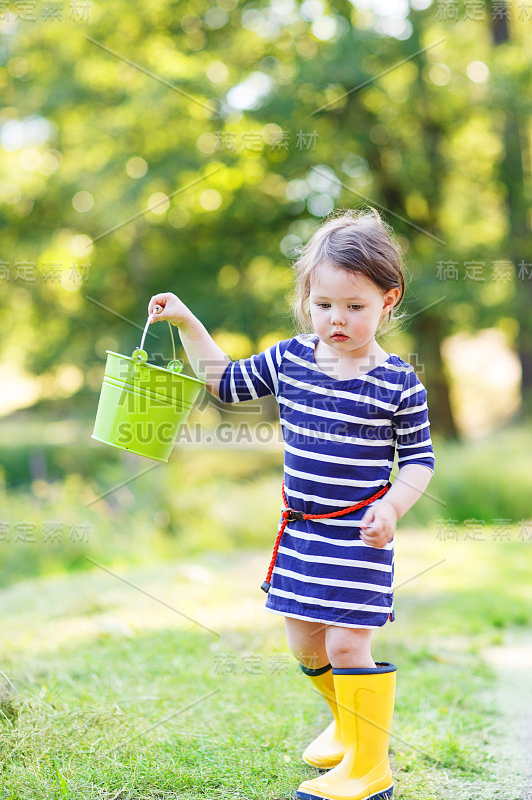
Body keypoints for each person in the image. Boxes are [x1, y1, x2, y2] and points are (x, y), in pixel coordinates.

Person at [148, 207, 434, 800]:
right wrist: (185, 321)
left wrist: (393, 508)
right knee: (304, 641)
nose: (337, 319)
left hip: (358, 535)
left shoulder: (400, 382)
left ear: (388, 299)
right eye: (324, 305)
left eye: (355, 307)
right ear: (308, 300)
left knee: (347, 643)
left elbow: (420, 461)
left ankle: (369, 765)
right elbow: (224, 381)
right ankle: (348, 723)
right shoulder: (291, 359)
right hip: (303, 533)